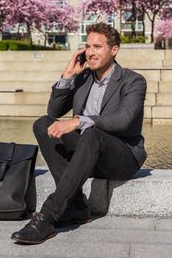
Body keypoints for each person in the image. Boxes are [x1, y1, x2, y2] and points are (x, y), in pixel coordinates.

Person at [11, 22, 147, 245]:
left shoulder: (133, 81)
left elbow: (123, 121)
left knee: (91, 133)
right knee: (43, 124)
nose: (90, 53)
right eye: (87, 47)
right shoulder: (83, 78)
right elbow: (53, 112)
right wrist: (67, 76)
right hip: (87, 151)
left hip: (122, 156)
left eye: (97, 47)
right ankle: (76, 206)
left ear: (114, 50)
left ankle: (48, 215)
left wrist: (79, 121)